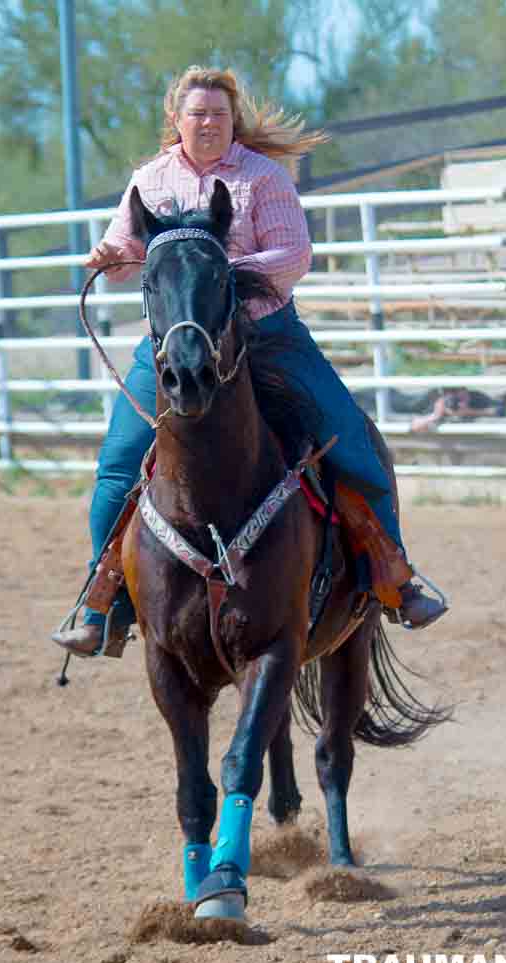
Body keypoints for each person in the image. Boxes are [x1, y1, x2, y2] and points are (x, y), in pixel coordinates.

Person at [53, 66, 447, 658]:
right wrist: (111, 255)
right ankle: (102, 599)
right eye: (197, 113)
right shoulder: (149, 181)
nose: (208, 122)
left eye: (218, 113)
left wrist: (220, 282)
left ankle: (393, 575)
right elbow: (129, 254)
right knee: (118, 464)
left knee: (352, 443)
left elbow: (293, 255)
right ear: (175, 120)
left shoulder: (263, 177)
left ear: (232, 119)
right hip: (176, 345)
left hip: (266, 336)